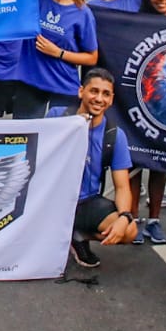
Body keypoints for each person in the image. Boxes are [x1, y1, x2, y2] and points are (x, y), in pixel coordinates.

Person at [53, 68, 138, 268]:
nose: (99, 99)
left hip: (86, 202)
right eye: (94, 91)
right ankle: (53, 233)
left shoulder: (114, 135)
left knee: (130, 230)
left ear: (111, 99)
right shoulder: (56, 116)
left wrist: (125, 217)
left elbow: (123, 186)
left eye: (105, 94)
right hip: (52, 199)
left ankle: (77, 235)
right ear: (81, 91)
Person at [130, 0, 166, 243]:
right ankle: (134, 220)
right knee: (136, 160)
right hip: (139, 103)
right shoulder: (135, 23)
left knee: (161, 164)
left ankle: (154, 219)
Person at [14, 0, 98, 118]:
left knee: (58, 142)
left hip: (63, 87)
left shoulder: (82, 13)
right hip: (30, 83)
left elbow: (91, 57)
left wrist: (58, 53)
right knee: (25, 141)